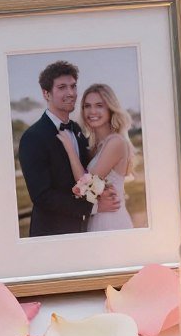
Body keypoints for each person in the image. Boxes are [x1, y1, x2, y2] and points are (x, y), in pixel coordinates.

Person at [18, 61, 121, 237]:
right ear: (46, 94)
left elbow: (87, 175)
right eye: (62, 87)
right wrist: (94, 207)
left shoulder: (77, 130)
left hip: (84, 231)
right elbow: (42, 196)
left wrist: (105, 190)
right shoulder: (32, 137)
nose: (71, 93)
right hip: (52, 235)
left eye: (73, 86)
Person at [56, 83, 136, 232]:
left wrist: (69, 148)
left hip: (111, 221)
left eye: (99, 105)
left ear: (110, 109)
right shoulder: (96, 146)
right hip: (97, 218)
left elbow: (86, 187)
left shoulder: (116, 142)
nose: (92, 111)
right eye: (87, 106)